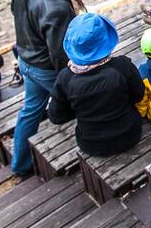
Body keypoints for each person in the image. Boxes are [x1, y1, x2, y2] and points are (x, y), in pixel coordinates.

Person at [10, 0, 76, 177]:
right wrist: (69, 80)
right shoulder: (56, 7)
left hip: (26, 59)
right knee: (80, 103)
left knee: (30, 110)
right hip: (46, 68)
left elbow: (14, 11)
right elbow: (59, 53)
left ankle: (20, 164)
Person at [48, 13, 144, 157]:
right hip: (130, 134)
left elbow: (56, 117)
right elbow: (138, 95)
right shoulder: (123, 66)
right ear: (106, 40)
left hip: (90, 143)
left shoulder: (65, 78)